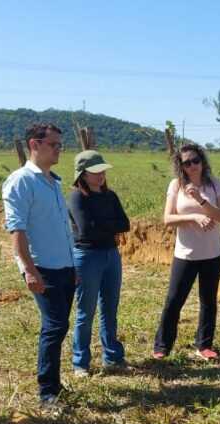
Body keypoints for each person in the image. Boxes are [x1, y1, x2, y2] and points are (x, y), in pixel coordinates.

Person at [2, 122, 76, 414]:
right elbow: (16, 229)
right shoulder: (21, 181)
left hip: (65, 267)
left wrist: (73, 265)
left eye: (60, 144)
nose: (59, 149)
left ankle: (54, 386)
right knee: (54, 326)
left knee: (59, 327)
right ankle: (47, 394)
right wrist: (29, 269)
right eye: (54, 144)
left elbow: (62, 229)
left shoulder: (54, 181)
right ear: (34, 145)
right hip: (43, 267)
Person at [153, 143, 220, 361]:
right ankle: (162, 347)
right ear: (181, 165)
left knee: (208, 300)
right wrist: (193, 217)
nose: (193, 166)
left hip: (213, 253)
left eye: (196, 160)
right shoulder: (176, 186)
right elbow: (168, 219)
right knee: (174, 300)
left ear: (202, 161)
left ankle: (204, 346)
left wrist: (200, 201)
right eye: (187, 162)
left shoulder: (215, 185)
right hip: (186, 254)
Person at [67, 150, 131, 376]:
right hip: (87, 257)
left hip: (111, 255)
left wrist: (101, 223)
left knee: (110, 308)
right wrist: (108, 225)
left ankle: (113, 356)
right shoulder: (77, 197)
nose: (101, 175)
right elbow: (86, 230)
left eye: (102, 170)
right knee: (86, 311)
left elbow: (125, 224)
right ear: (82, 174)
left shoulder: (110, 196)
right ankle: (80, 362)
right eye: (95, 172)